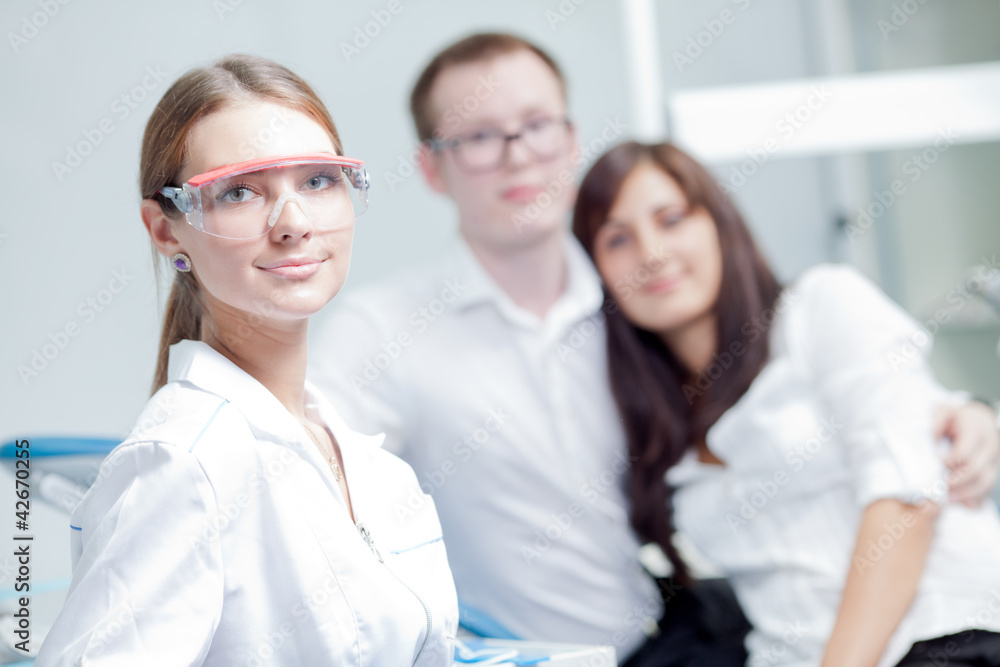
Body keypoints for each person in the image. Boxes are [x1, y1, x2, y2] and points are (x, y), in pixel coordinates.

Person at [307, 33, 1000, 665]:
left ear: (571, 139)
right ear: (431, 168)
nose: (517, 153)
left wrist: (961, 412)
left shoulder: (639, 308)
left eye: (537, 126)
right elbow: (294, 475)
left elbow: (860, 426)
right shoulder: (387, 332)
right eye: (480, 136)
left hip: (757, 634)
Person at [36, 55, 457, 666]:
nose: (294, 224)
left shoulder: (376, 470)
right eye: (239, 192)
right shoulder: (182, 466)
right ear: (165, 229)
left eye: (317, 181)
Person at [572, 140, 1000, 667]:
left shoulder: (820, 307)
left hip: (945, 636)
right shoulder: (653, 420)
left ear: (718, 222)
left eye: (672, 218)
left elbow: (906, 499)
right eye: (618, 239)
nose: (652, 254)